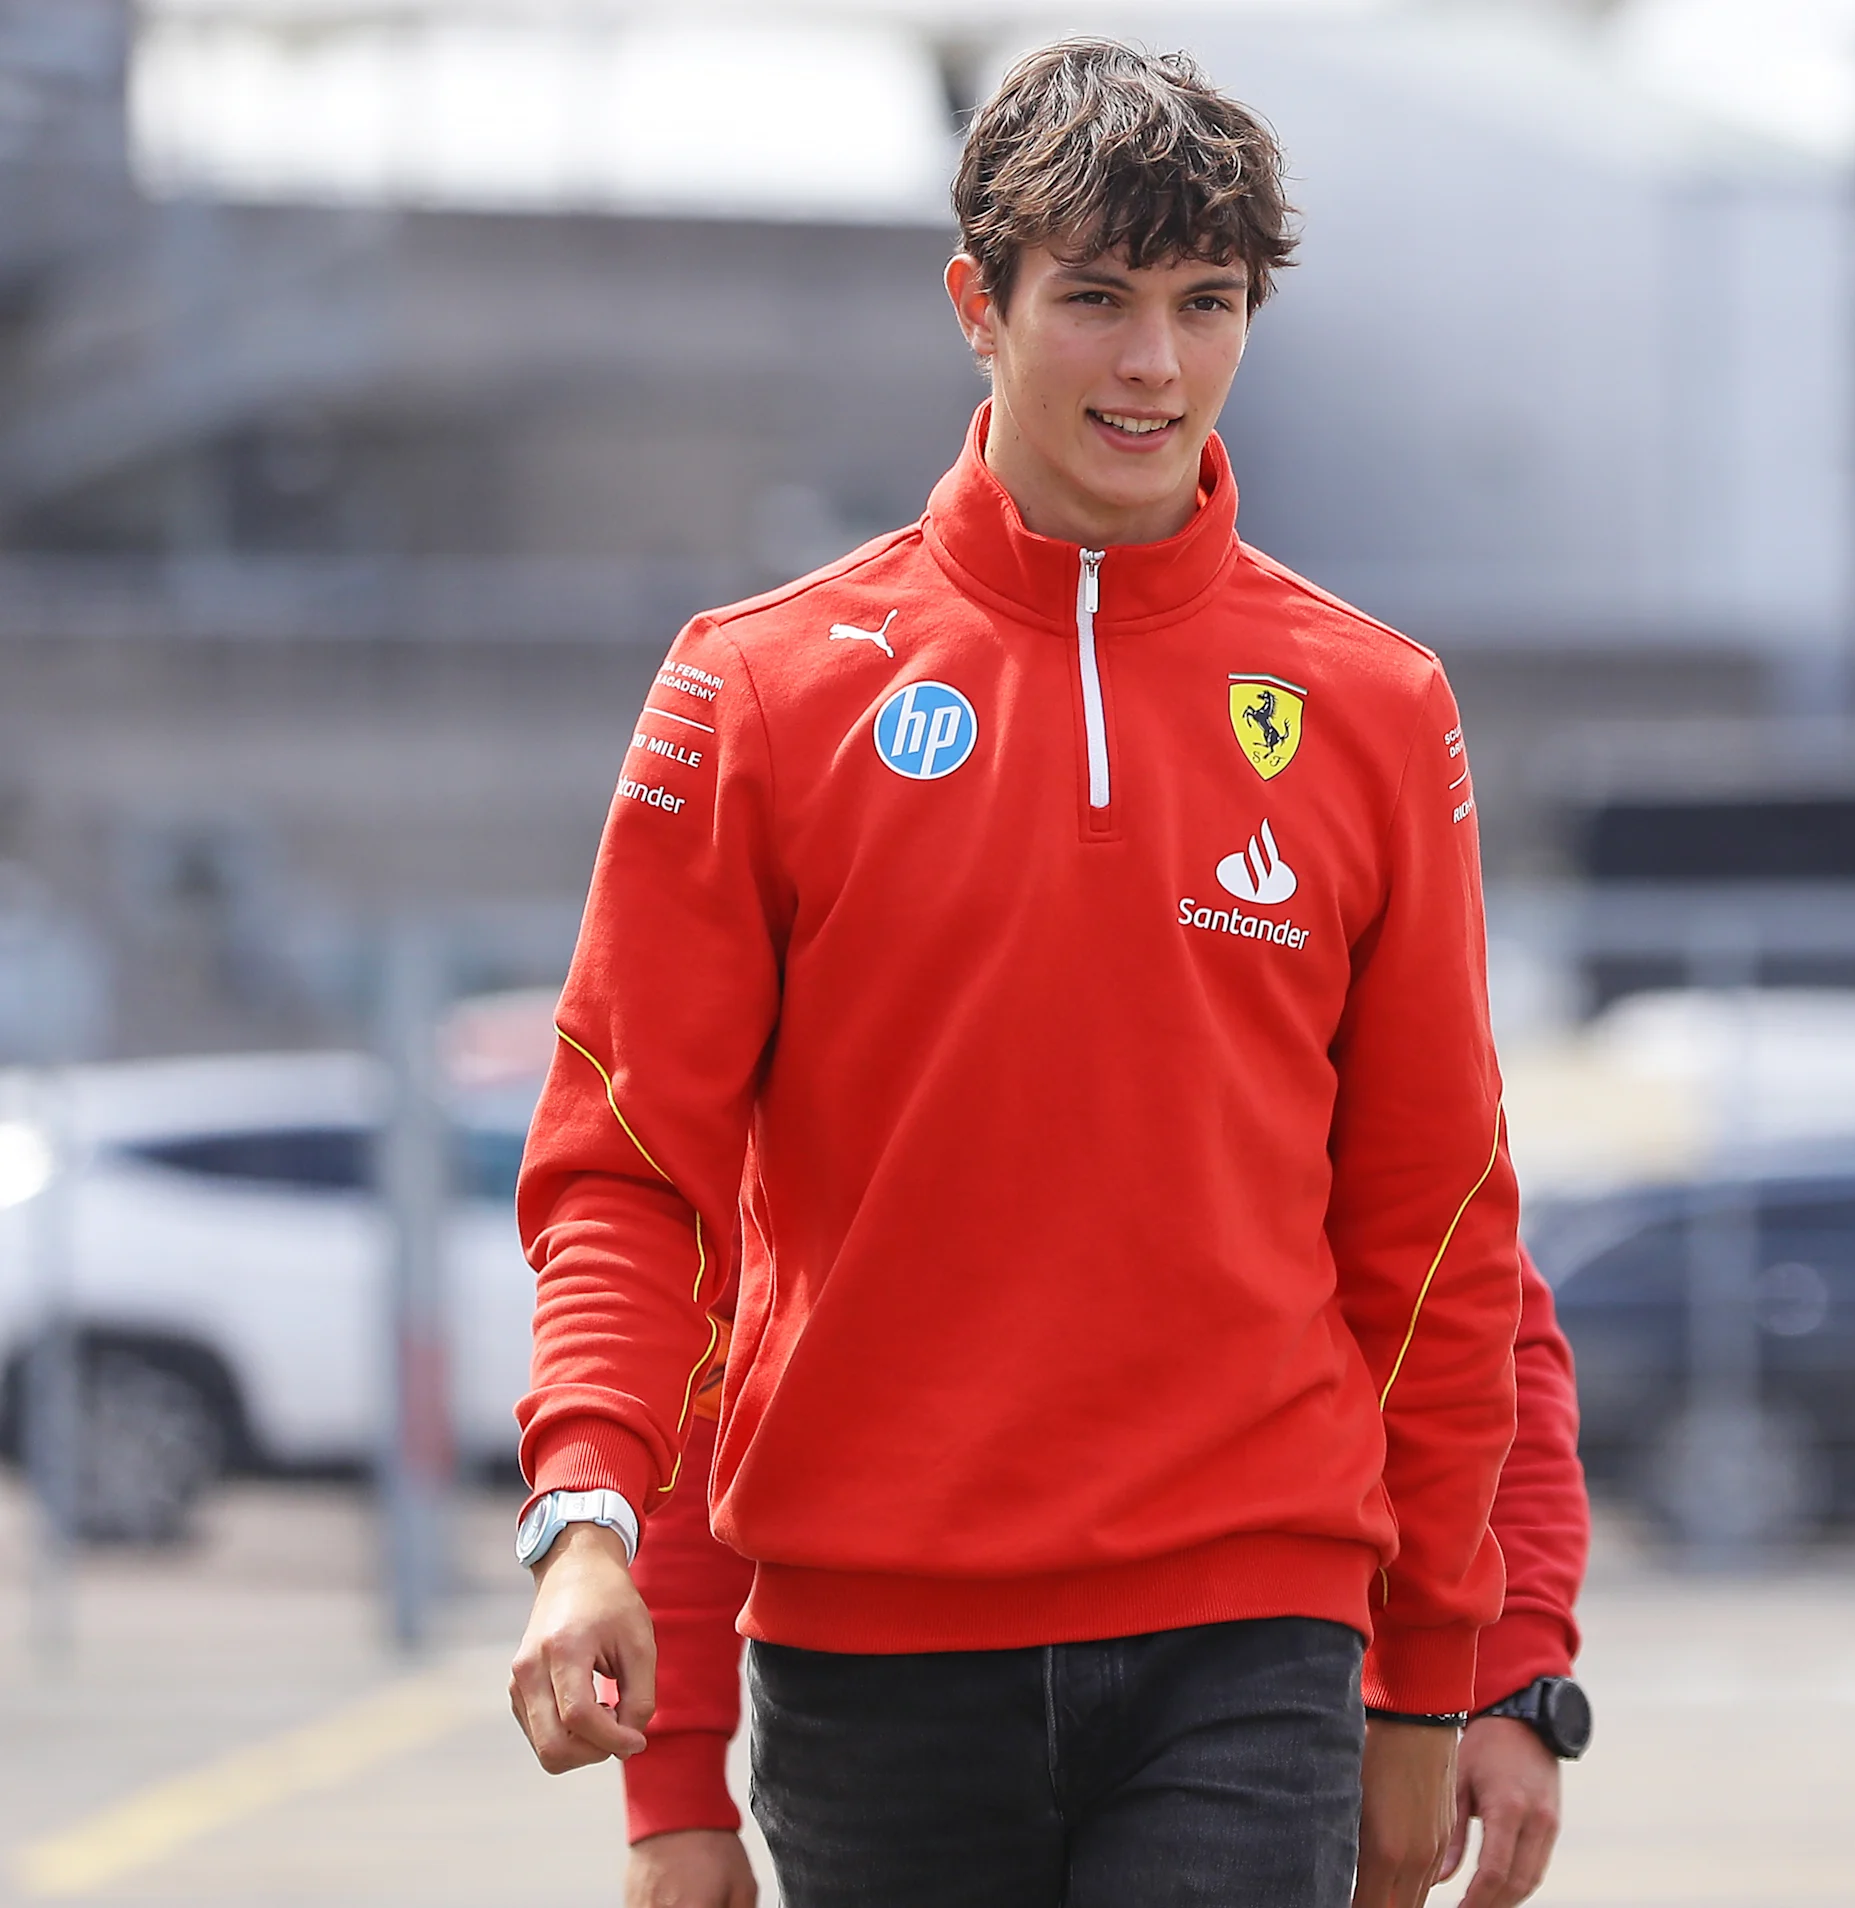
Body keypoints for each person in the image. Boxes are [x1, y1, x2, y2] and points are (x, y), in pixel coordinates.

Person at [504, 40, 1528, 1908]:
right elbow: (636, 1185)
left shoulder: (1378, 709)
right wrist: (602, 1568)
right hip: (870, 1657)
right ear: (979, 304)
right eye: (1098, 301)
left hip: (1253, 1634)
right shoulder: (759, 688)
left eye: (1205, 304)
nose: (1153, 365)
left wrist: (1434, 1676)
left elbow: (1438, 1233)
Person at [612, 1246, 1594, 1908]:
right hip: (880, 1677)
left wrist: (1499, 1677)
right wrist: (674, 1793)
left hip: (1242, 1648)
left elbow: (1451, 1291)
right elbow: (723, 1374)